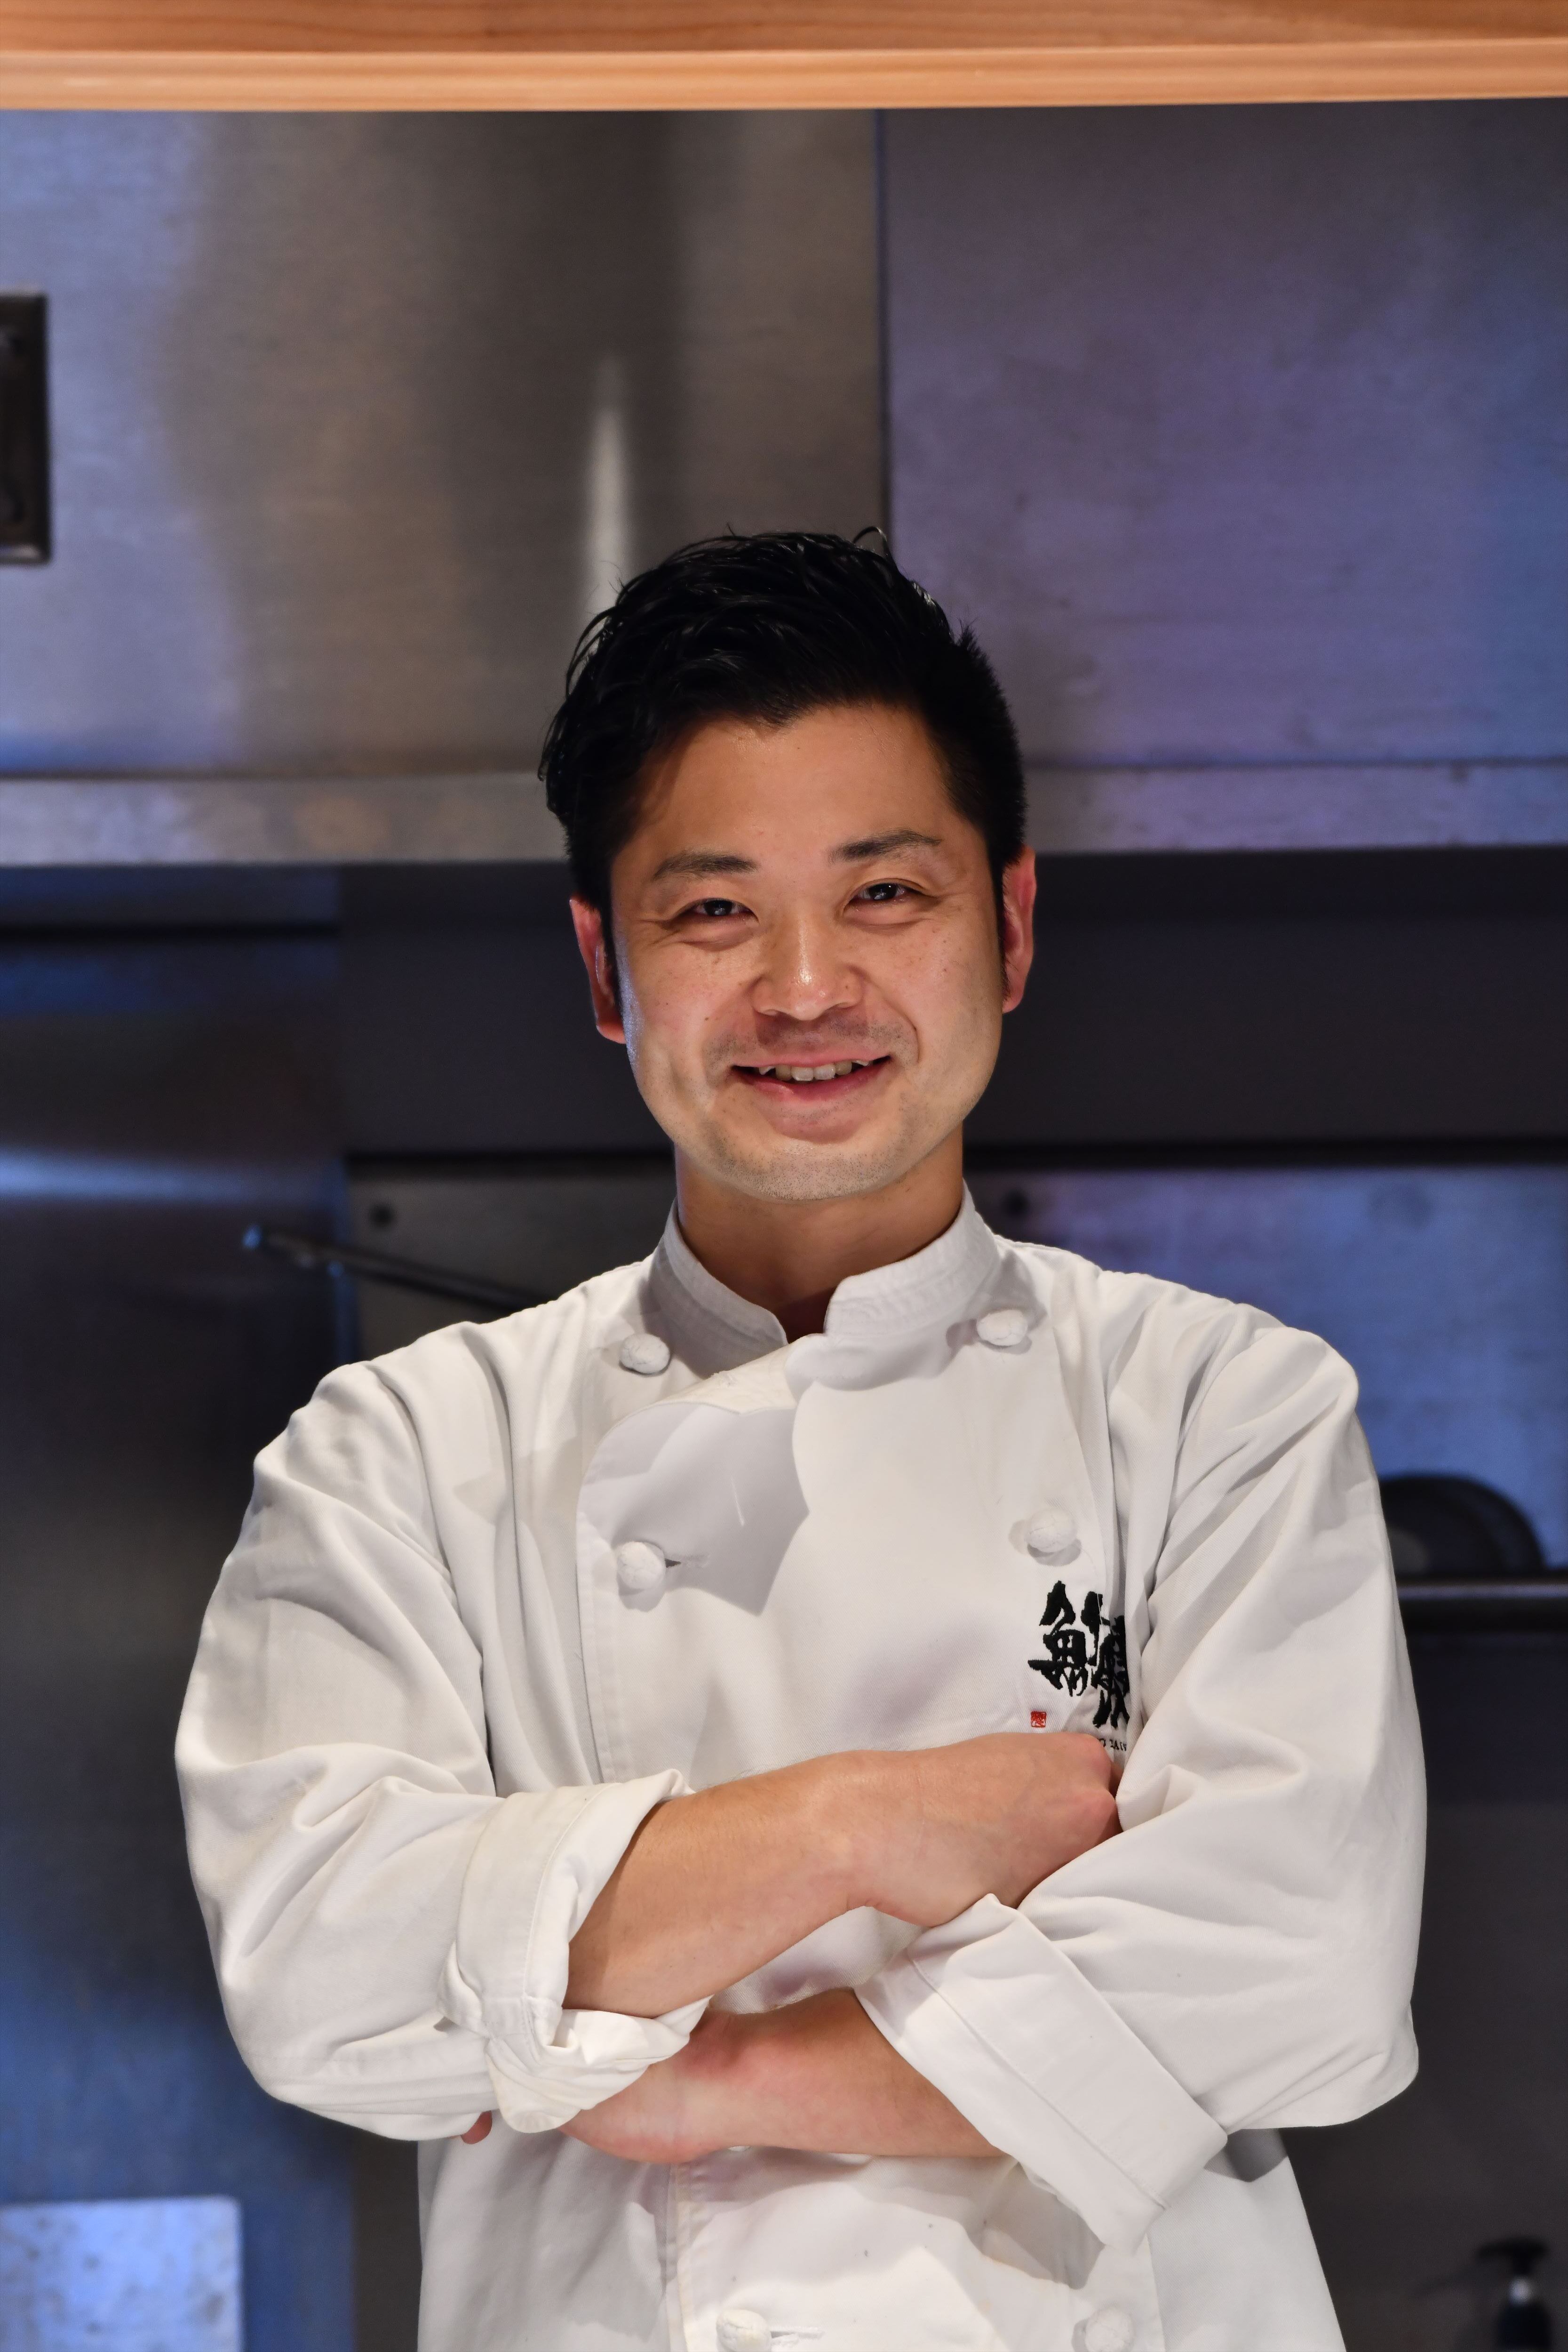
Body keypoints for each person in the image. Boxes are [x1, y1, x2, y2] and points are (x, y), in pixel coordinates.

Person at [177, 532, 1424, 2352]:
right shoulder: (406, 1457)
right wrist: (864, 1823)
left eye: (886, 894)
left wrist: (711, 2076)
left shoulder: (1221, 1407)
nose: (806, 986)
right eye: (713, 914)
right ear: (606, 969)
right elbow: (324, 1978)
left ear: (1010, 926)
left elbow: (1298, 1972)